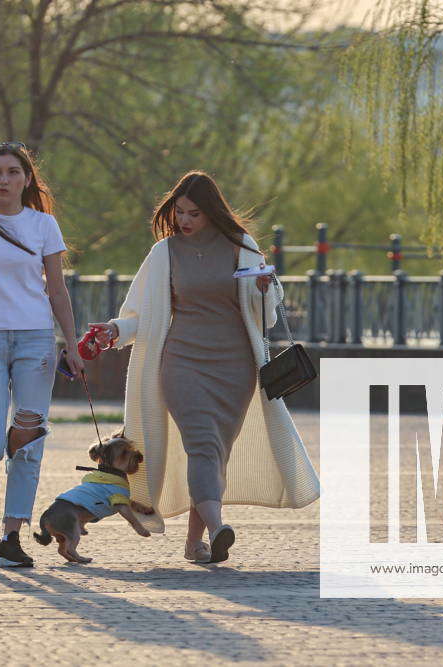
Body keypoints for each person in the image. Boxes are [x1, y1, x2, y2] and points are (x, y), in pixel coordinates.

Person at [89, 171, 320, 564]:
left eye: (194, 213)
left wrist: (265, 289)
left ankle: (195, 544)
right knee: (201, 444)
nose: (185, 220)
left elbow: (264, 317)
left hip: (234, 366)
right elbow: (141, 312)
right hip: (182, 361)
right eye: (179, 212)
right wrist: (115, 329)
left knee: (214, 452)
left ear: (212, 212)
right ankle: (218, 528)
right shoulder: (164, 252)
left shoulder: (241, 246)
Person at [0, 141, 84, 568]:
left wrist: (72, 345)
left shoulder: (44, 225)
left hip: (35, 340)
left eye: (12, 172)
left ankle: (11, 536)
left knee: (28, 440)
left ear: (27, 179)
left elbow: (57, 290)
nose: (3, 180)